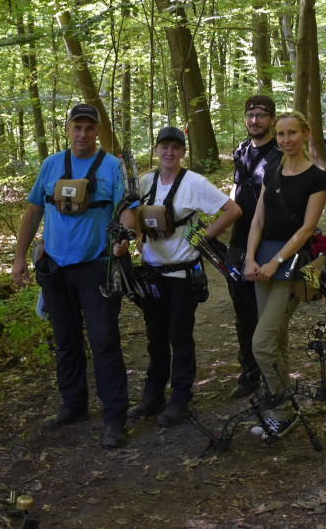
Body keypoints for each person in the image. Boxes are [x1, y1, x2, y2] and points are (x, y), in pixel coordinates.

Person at [12, 103, 135, 448]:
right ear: (68, 129)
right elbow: (34, 208)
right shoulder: (51, 164)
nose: (83, 134)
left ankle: (115, 419)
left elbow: (127, 212)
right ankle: (74, 405)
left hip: (98, 267)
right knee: (65, 342)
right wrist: (20, 257)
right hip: (56, 270)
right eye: (77, 127)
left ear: (98, 131)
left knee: (104, 343)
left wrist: (124, 242)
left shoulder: (112, 167)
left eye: (89, 128)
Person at [127, 126, 242, 427]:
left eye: (175, 147)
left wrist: (201, 238)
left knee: (179, 336)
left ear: (183, 152)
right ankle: (153, 396)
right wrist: (138, 237)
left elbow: (232, 210)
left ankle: (180, 398)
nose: (169, 153)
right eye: (164, 147)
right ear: (156, 150)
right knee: (155, 337)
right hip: (152, 272)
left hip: (181, 272)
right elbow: (132, 213)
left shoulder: (194, 183)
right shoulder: (145, 181)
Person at [244, 111, 326, 440]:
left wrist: (275, 262)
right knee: (275, 339)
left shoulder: (316, 178)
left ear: (306, 134)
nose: (286, 140)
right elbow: (258, 221)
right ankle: (282, 410)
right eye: (281, 134)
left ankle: (282, 410)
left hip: (291, 267)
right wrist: (252, 258)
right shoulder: (272, 171)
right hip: (262, 261)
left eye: (292, 133)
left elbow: (307, 228)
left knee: (262, 344)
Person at [225, 95, 282, 399]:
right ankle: (249, 371)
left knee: (266, 313)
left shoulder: (279, 154)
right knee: (243, 313)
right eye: (250, 115)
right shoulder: (242, 151)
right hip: (238, 241)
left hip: (267, 243)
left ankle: (273, 374)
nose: (255, 120)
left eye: (261, 115)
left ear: (272, 119)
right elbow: (237, 192)